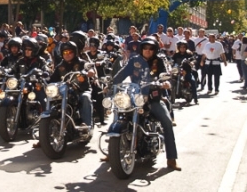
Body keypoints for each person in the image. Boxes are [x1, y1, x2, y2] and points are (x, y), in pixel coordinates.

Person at [109, 36, 181, 171]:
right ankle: (112, 152)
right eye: (145, 48)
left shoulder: (159, 61)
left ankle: (171, 159)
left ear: (155, 50)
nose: (148, 51)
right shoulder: (134, 60)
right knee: (119, 114)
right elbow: (121, 74)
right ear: (141, 49)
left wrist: (166, 83)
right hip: (134, 97)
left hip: (153, 98)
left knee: (166, 122)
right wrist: (111, 83)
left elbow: (167, 74)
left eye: (151, 48)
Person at [49, 41, 94, 128]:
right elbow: (52, 79)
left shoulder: (82, 63)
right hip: (65, 91)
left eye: (70, 52)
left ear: (75, 52)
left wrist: (90, 72)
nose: (67, 54)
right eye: (65, 52)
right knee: (51, 98)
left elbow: (89, 67)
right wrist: (44, 79)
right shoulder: (60, 66)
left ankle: (86, 125)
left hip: (81, 90)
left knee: (85, 97)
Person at [85, 37, 106, 125]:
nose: (92, 47)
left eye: (94, 46)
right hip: (87, 77)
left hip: (99, 76)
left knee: (100, 93)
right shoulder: (86, 55)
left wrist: (100, 63)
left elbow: (104, 60)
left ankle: (102, 119)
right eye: (91, 45)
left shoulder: (100, 54)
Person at [172, 40, 198, 105]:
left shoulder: (189, 54)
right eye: (181, 47)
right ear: (178, 48)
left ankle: (195, 99)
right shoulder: (176, 55)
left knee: (192, 81)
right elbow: (172, 60)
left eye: (184, 47)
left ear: (186, 47)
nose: (182, 48)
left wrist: (192, 62)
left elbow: (194, 59)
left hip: (186, 71)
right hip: (177, 71)